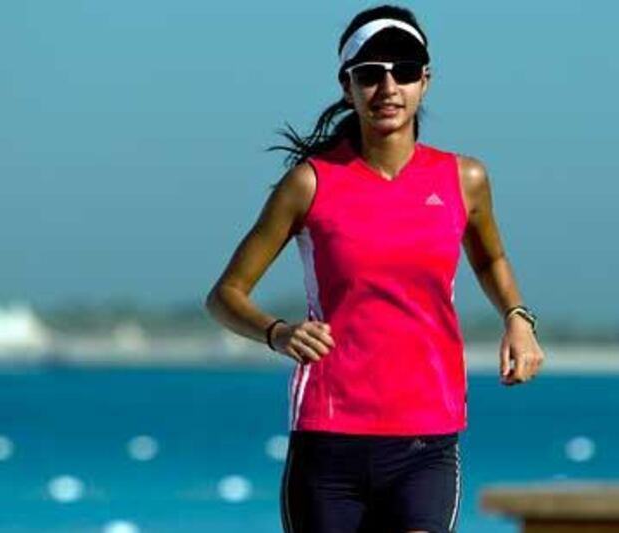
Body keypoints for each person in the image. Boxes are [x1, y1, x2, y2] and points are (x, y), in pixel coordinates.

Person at [205, 5, 546, 532]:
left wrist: (517, 318)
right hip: (328, 438)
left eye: (404, 71)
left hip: (426, 441)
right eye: (370, 74)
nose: (388, 87)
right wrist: (278, 333)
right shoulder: (309, 184)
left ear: (425, 82)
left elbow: (490, 256)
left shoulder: (464, 178)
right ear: (348, 87)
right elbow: (225, 294)